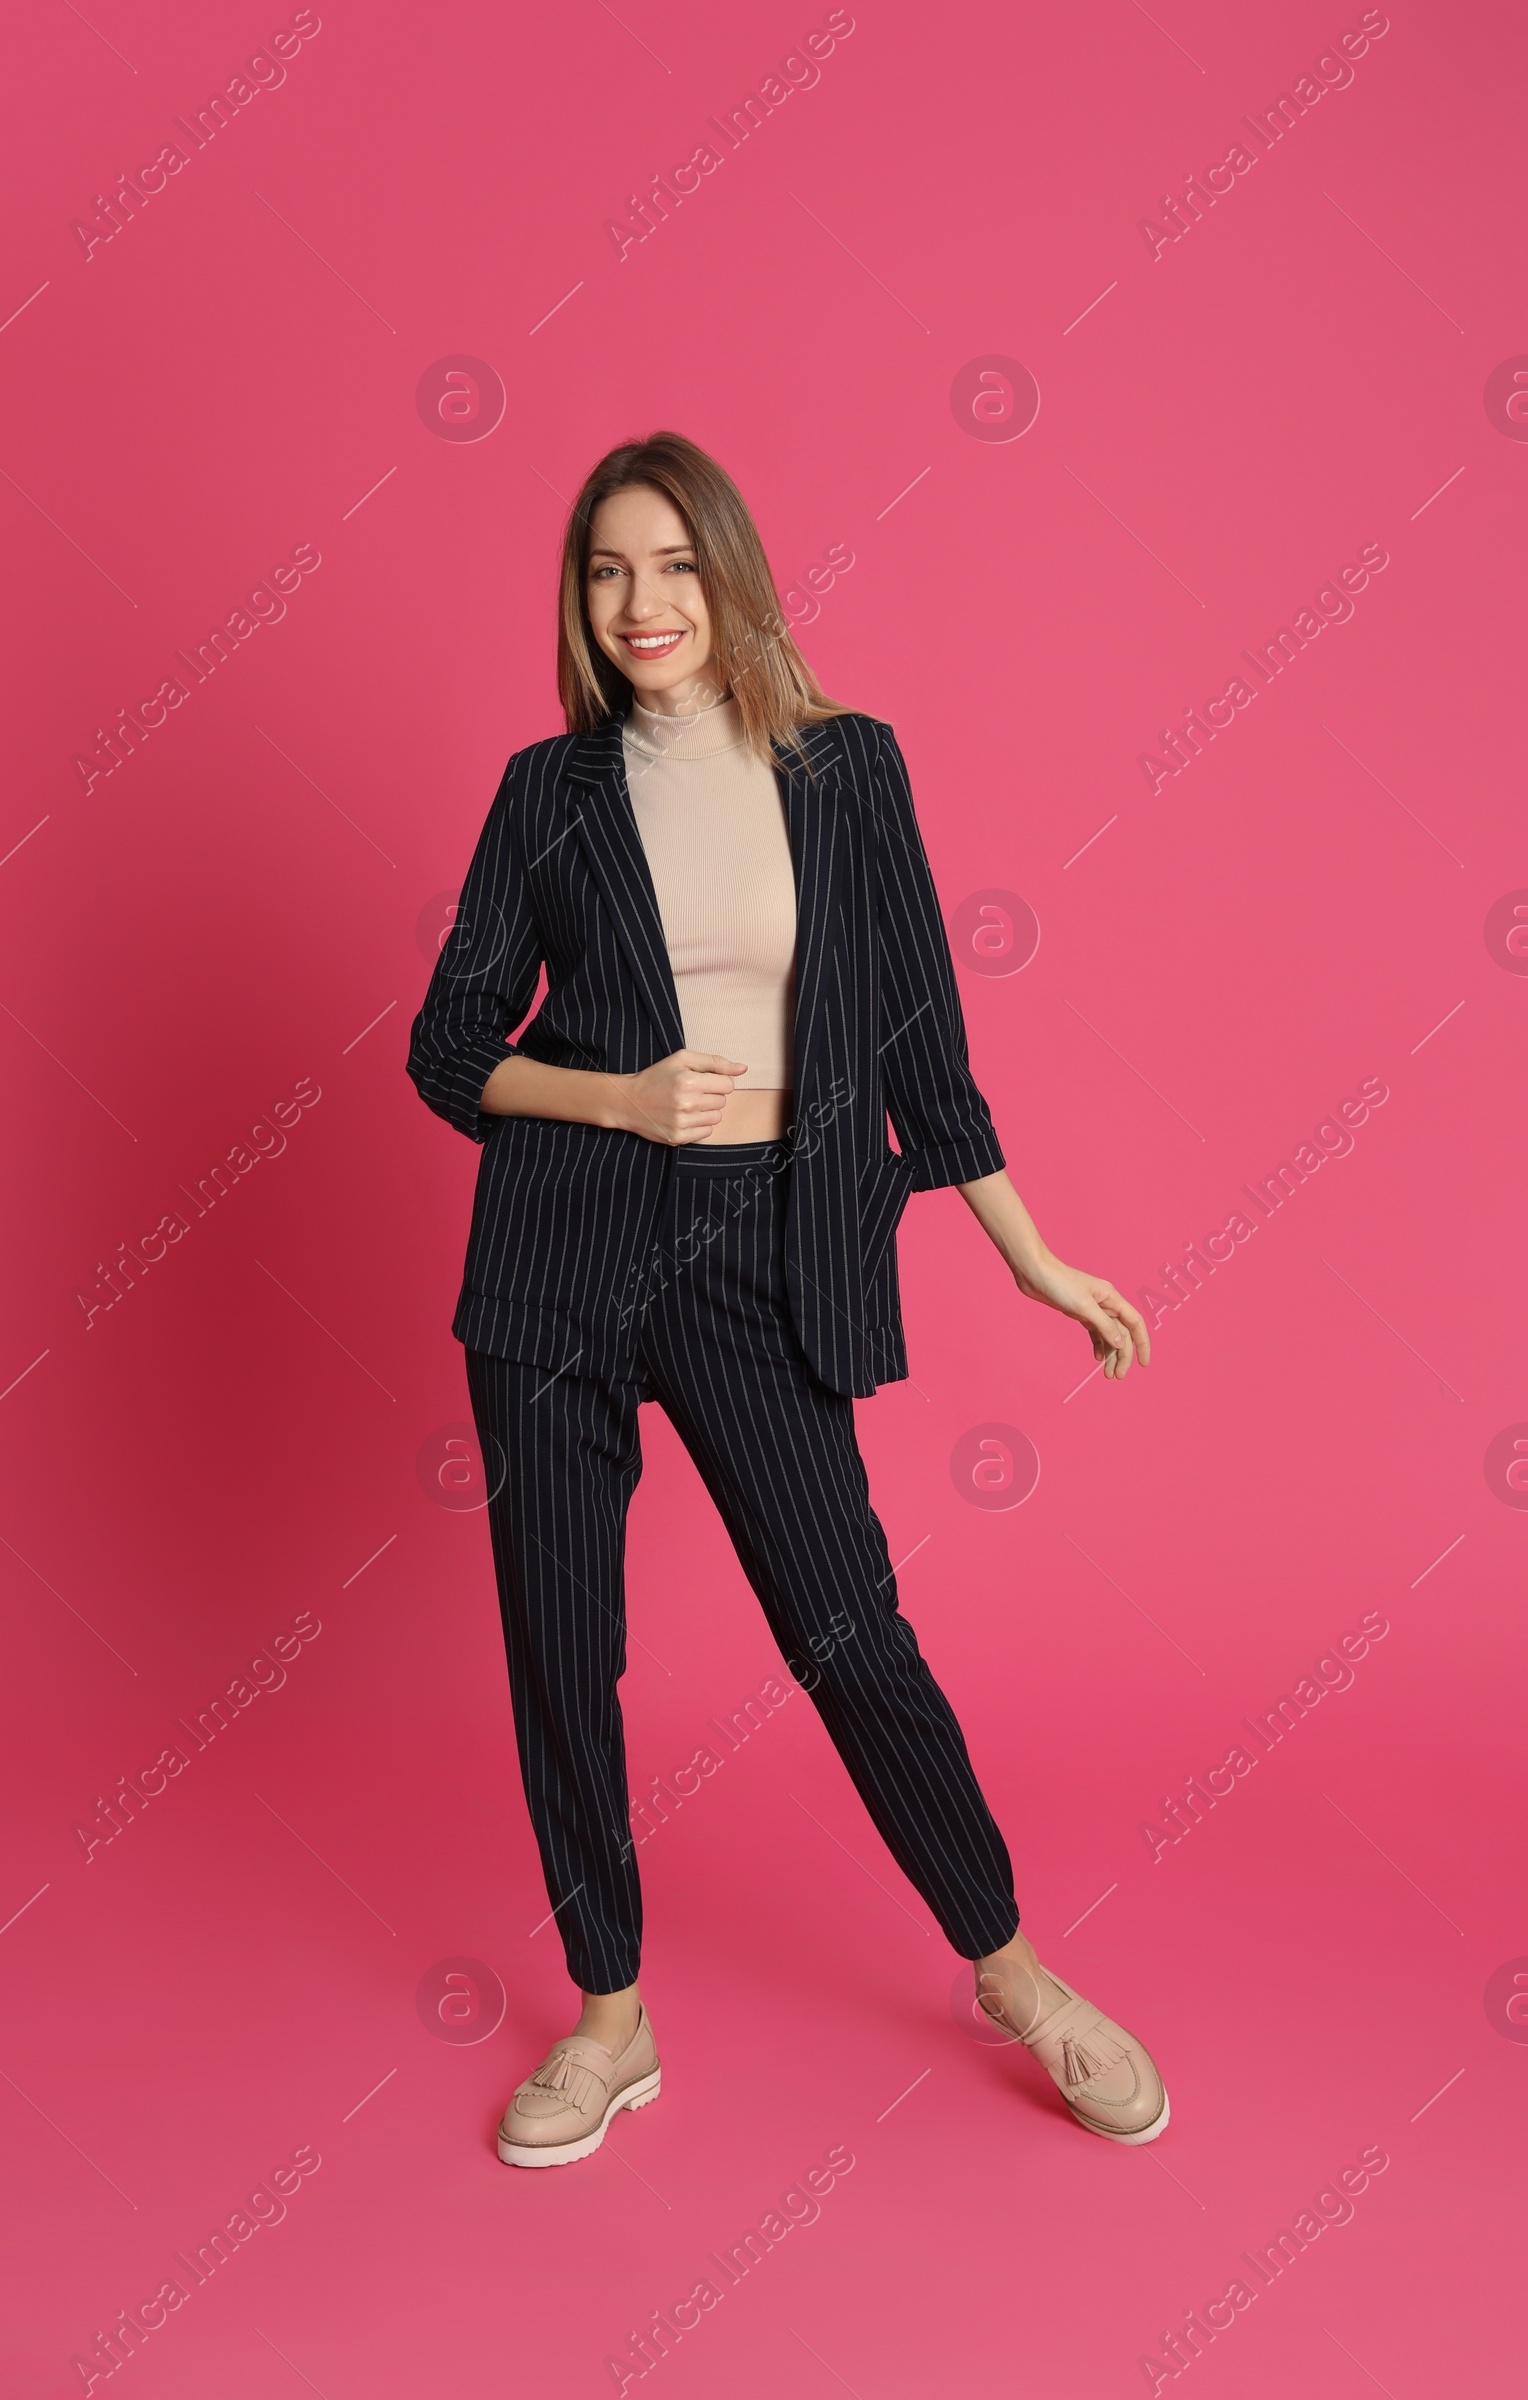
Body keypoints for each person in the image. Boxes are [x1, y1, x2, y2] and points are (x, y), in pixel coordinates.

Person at [406, 430, 1168, 2167]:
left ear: (729, 574)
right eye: (607, 571)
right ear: (579, 601)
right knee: (561, 1653)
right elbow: (448, 1050)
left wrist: (1032, 1257)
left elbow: (919, 1046)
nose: (641, 602)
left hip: (765, 1248)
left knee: (850, 1637)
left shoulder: (847, 770)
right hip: (556, 1257)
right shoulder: (546, 793)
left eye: (671, 564)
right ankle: (610, 2022)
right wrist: (615, 1093)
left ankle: (1021, 1979)